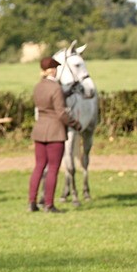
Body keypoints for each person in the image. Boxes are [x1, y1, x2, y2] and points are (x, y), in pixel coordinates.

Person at [28, 56, 80, 213]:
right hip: (55, 132)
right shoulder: (56, 88)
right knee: (53, 168)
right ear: (52, 70)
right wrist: (75, 124)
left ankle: (32, 202)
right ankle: (49, 204)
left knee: (38, 167)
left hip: (39, 130)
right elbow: (61, 113)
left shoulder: (38, 87)